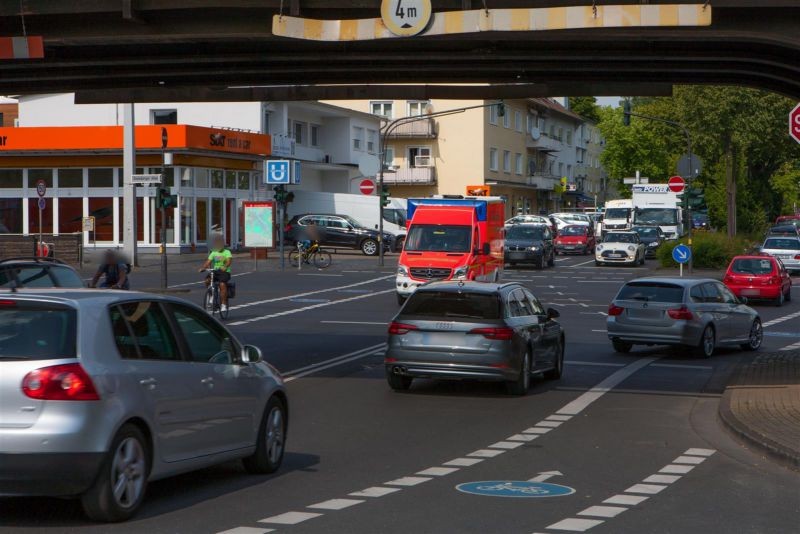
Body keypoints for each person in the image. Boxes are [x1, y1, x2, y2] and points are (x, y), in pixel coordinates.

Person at [199, 234, 232, 312]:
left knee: (222, 284)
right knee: (207, 281)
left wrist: (225, 266)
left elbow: (229, 261)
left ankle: (223, 304)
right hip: (215, 271)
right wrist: (203, 268)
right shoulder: (213, 252)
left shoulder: (227, 252)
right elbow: (208, 261)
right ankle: (211, 295)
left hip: (224, 272)